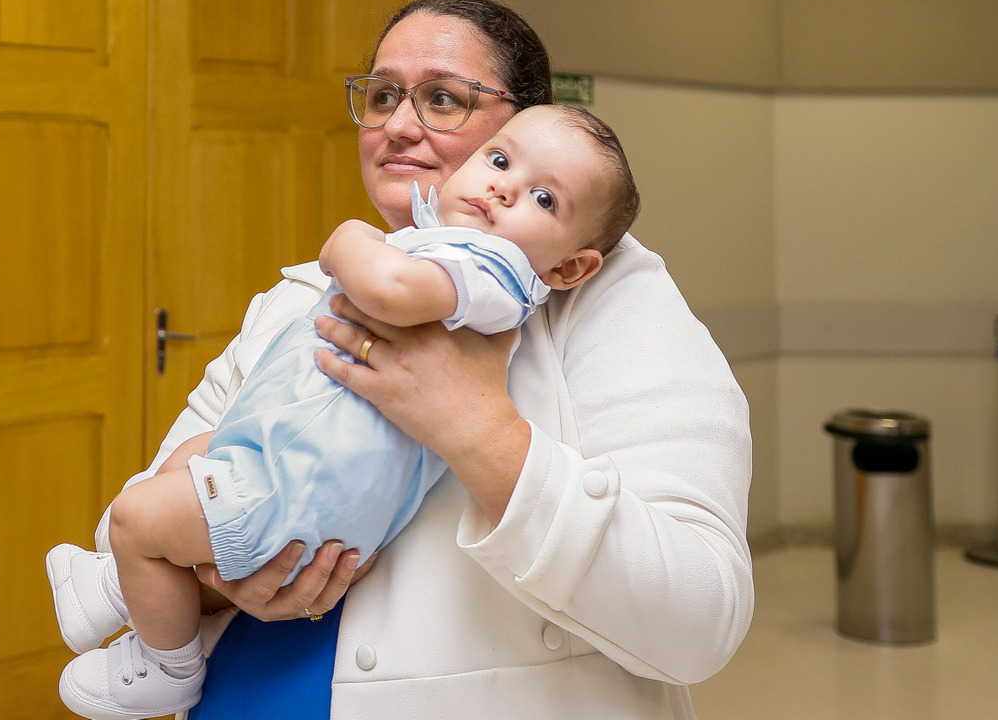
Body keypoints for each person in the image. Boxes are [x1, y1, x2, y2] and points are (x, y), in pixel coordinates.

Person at [78, 0, 753, 718]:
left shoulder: (612, 302)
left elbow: (702, 620)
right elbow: (134, 524)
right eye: (383, 96)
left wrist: (474, 426)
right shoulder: (300, 298)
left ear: (530, 123)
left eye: (443, 99)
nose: (399, 125)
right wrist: (225, 579)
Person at [49, 102, 642, 719]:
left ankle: (167, 667)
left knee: (136, 518)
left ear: (570, 266)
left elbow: (390, 289)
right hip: (289, 464)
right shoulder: (437, 243)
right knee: (187, 461)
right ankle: (120, 587)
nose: (503, 187)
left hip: (301, 487)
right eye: (498, 161)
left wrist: (347, 240)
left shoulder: (493, 265)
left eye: (544, 199)